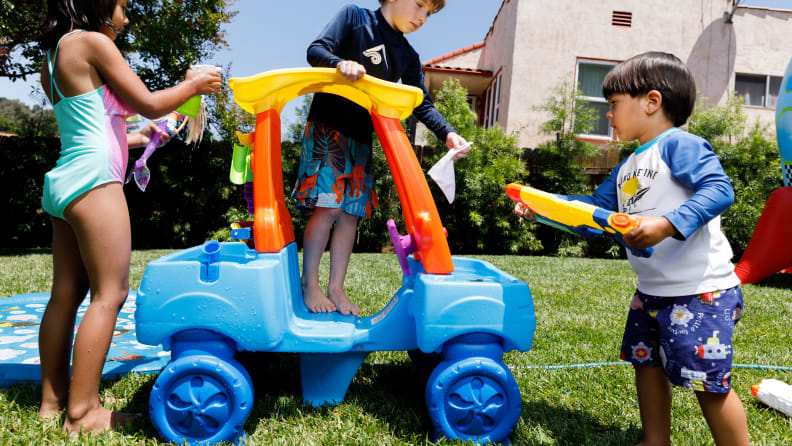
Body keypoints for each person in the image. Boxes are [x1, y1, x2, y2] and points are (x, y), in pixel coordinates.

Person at [517, 52, 749, 446]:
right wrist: (542, 209)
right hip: (652, 293)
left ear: (651, 102)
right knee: (647, 366)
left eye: (613, 104)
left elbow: (719, 190)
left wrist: (665, 224)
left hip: (700, 292)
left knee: (707, 384)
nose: (608, 114)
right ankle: (654, 440)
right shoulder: (628, 165)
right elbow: (594, 213)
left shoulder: (680, 145)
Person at [37, 0, 221, 434]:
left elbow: (90, 122)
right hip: (96, 181)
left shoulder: (57, 52)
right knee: (110, 293)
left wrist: (138, 136)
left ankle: (52, 401)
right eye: (121, 4)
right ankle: (82, 414)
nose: (126, 15)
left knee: (65, 292)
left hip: (67, 178)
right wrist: (193, 85)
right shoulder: (95, 42)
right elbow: (152, 102)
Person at [293, 0, 470, 316]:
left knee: (350, 215)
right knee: (328, 208)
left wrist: (447, 133)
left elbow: (421, 102)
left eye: (429, 13)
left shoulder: (407, 54)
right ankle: (310, 284)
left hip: (361, 138)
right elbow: (316, 50)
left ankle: (335, 288)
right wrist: (339, 64)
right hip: (328, 128)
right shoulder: (355, 18)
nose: (422, 17)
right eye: (418, 5)